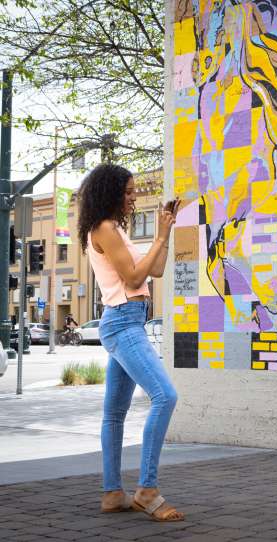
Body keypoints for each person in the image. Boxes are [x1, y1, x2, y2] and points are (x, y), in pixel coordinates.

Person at [78, 164, 183, 521]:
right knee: (165, 396)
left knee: (114, 414)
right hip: (123, 322)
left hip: (129, 319)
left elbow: (155, 270)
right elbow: (135, 275)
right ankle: (147, 489)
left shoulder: (115, 230)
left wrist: (164, 233)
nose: (132, 197)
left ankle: (112, 494)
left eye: (133, 191)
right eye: (127, 192)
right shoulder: (104, 229)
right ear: (109, 193)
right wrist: (157, 239)